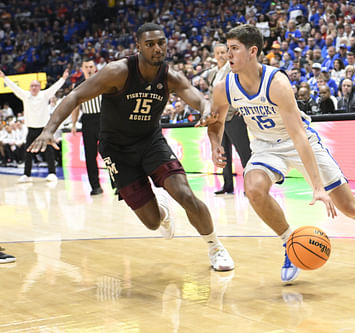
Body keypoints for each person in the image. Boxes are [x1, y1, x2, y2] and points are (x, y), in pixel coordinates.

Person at [27, 23, 234, 271]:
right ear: (138, 47)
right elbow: (75, 96)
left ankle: (215, 247)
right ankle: (163, 212)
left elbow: (198, 99)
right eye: (150, 44)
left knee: (185, 195)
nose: (157, 48)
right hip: (117, 149)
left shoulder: (170, 76)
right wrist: (49, 129)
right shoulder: (118, 72)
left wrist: (207, 111)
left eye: (161, 42)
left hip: (150, 142)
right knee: (152, 222)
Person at [208, 24, 355, 283]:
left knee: (350, 208)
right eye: (227, 49)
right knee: (254, 189)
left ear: (253, 51)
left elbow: (299, 136)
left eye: (234, 49)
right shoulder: (224, 87)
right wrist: (214, 143)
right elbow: (216, 122)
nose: (228, 54)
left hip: (298, 141)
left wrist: (317, 187)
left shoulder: (276, 83)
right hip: (266, 146)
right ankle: (291, 243)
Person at [0, 68, 69, 183]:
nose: (34, 88)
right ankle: (27, 175)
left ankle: (52, 173)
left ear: (40, 87)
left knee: (49, 151)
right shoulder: (25, 95)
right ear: (29, 87)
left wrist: (63, 79)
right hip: (31, 129)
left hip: (44, 130)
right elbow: (14, 87)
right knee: (27, 152)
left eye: (36, 86)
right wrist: (4, 78)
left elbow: (55, 87)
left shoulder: (44, 95)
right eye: (32, 86)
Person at [207, 43, 251, 195]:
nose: (220, 55)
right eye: (217, 53)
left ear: (228, 54)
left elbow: (244, 87)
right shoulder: (212, 73)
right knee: (223, 153)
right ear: (214, 55)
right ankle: (227, 185)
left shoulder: (234, 69)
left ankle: (250, 186)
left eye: (223, 52)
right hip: (219, 119)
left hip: (233, 116)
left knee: (244, 152)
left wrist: (242, 106)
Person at [71, 58, 104, 196]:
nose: (89, 69)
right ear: (83, 69)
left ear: (95, 68)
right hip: (88, 121)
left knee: (110, 152)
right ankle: (95, 186)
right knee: (90, 156)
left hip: (103, 119)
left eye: (91, 66)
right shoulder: (78, 86)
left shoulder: (103, 81)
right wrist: (73, 124)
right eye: (87, 67)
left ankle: (118, 184)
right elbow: (75, 107)